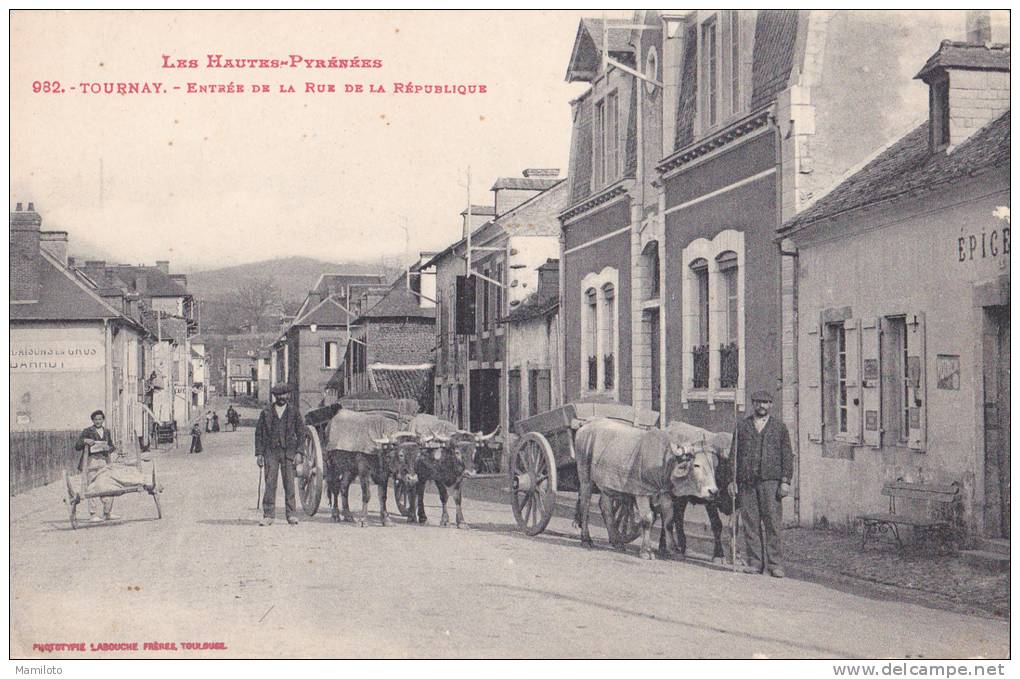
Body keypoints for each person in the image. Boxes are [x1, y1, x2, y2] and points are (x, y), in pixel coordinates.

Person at [730, 390, 794, 578]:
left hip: (771, 483)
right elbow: (733, 456)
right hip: (747, 483)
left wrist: (785, 481)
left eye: (766, 403)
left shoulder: (779, 428)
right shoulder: (742, 427)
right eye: (758, 402)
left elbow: (787, 456)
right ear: (753, 404)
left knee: (773, 524)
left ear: (771, 405)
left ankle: (775, 564)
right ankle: (755, 562)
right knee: (751, 524)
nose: (762, 406)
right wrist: (732, 481)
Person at [254, 384, 304, 526]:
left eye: (285, 394)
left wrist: (299, 452)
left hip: (289, 452)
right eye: (280, 395)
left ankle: (291, 514)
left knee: (289, 484)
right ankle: (268, 515)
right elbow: (259, 434)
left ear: (288, 395)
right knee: (270, 483)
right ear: (275, 396)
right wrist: (259, 454)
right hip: (270, 452)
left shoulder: (294, 412)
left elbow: (301, 433)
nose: (283, 397)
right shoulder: (266, 412)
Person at [73, 410, 120, 523]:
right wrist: (85, 440)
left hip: (104, 460)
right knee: (92, 486)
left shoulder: (107, 431)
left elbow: (112, 445)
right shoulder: (87, 431)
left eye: (100, 419)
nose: (98, 421)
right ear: (92, 420)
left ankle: (107, 512)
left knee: (108, 484)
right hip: (91, 461)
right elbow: (77, 446)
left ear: (103, 420)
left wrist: (109, 448)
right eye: (96, 419)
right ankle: (93, 514)